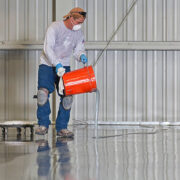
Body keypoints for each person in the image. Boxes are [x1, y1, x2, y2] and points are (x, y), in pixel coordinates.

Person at [35, 7, 87, 137]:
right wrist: (56, 63)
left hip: (65, 66)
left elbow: (78, 49)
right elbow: (48, 48)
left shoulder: (79, 34)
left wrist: (81, 56)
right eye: (78, 22)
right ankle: (43, 124)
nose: (79, 25)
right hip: (47, 64)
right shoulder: (55, 28)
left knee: (68, 97)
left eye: (81, 23)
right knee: (42, 93)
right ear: (70, 18)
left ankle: (62, 127)